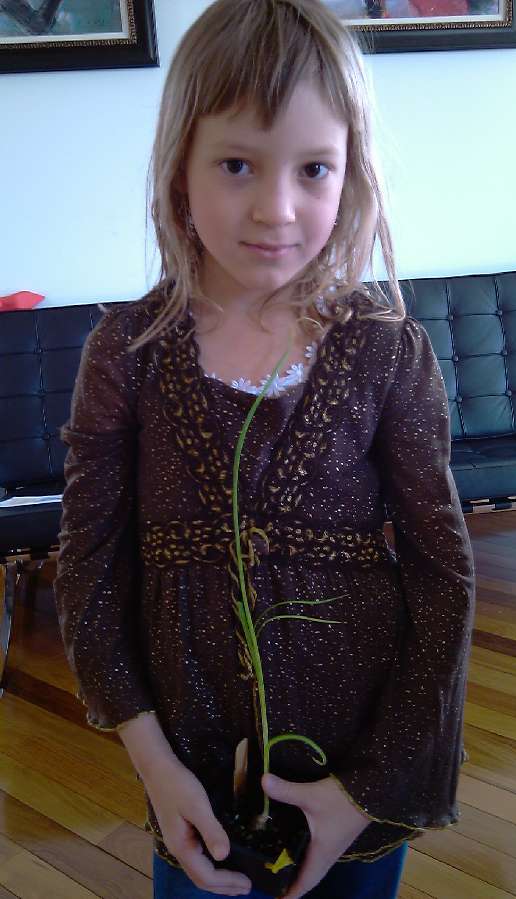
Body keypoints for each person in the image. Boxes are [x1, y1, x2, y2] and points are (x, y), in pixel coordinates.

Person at [53, 1, 476, 897]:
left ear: (350, 172)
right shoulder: (126, 355)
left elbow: (443, 575)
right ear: (181, 166)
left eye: (313, 168)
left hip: (358, 780)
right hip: (194, 787)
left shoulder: (386, 351)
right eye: (237, 164)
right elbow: (89, 570)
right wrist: (156, 767)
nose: (275, 210)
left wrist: (370, 787)